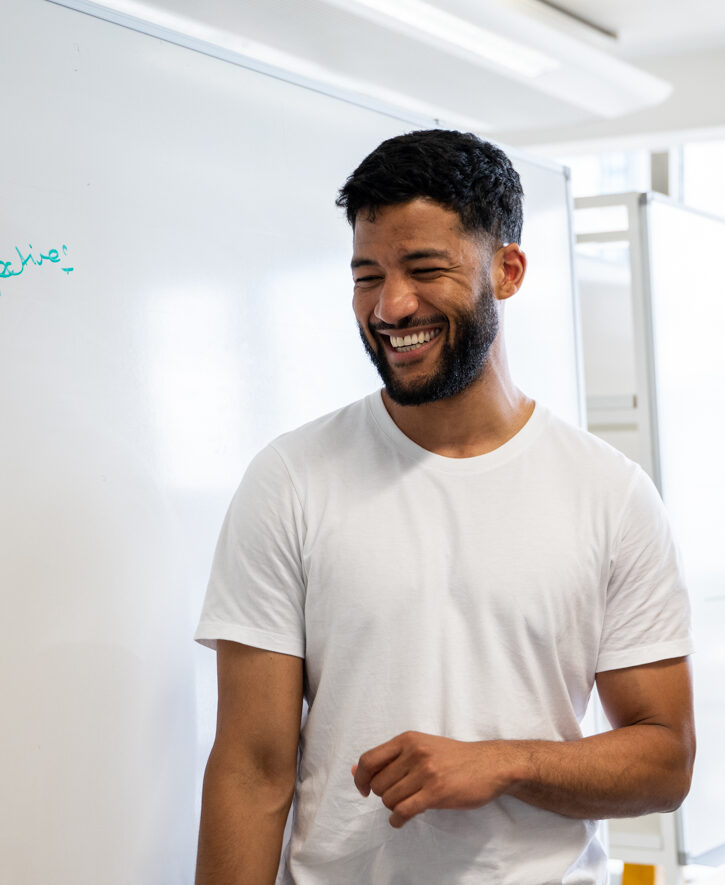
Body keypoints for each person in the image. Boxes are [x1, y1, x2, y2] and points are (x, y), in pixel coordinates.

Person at [194, 129, 695, 885]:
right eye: (368, 275)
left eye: (425, 269)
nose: (392, 306)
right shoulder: (290, 479)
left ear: (509, 269)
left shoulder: (609, 493)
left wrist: (503, 762)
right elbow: (250, 769)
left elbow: (664, 759)